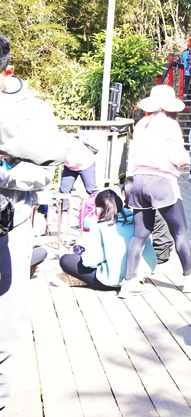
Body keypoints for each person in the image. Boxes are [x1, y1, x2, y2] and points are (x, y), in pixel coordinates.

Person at [0, 35, 77, 411]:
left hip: (9, 227)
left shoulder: (35, 111)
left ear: (7, 72)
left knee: (4, 328)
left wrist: (4, 172)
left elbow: (41, 176)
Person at [119, 85, 191, 297]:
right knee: (180, 231)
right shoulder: (170, 125)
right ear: (169, 106)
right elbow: (178, 156)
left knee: (140, 235)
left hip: (138, 181)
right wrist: (185, 159)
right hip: (162, 181)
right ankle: (189, 278)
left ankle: (129, 282)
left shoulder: (141, 124)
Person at [55, 190, 157, 290]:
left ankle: (82, 279)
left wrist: (83, 255)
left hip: (112, 280)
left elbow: (91, 261)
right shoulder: (136, 219)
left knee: (65, 260)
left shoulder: (100, 226)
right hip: (143, 271)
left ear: (99, 209)